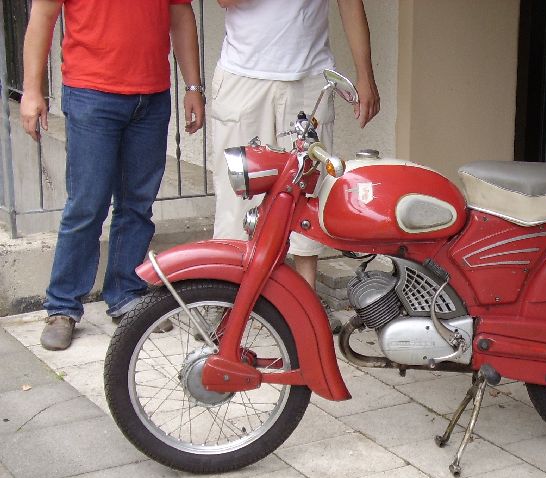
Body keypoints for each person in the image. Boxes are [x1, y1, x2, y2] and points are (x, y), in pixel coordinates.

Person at [20, 0, 205, 351]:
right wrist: (31, 90)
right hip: (91, 93)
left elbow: (180, 13)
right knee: (86, 205)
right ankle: (62, 307)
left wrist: (193, 87)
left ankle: (125, 294)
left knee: (137, 204)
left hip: (152, 96)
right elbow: (43, 14)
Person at [211, 0, 380, 331]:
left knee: (309, 192)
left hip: (309, 78)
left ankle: (305, 303)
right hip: (243, 76)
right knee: (236, 196)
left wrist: (365, 75)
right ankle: (224, 299)